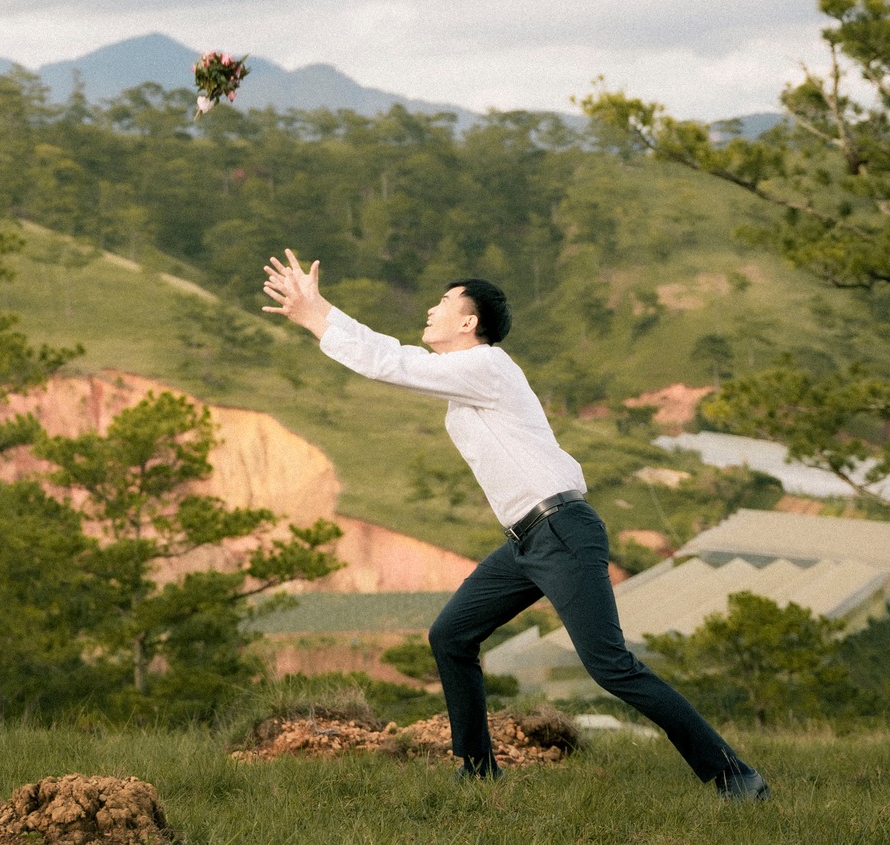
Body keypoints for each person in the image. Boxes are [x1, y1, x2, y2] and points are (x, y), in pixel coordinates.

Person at [261, 251, 769, 800]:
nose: (430, 309)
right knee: (451, 636)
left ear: (468, 323)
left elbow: (392, 363)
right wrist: (319, 313)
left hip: (561, 531)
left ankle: (735, 776)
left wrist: (316, 317)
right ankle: (478, 770)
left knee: (611, 667)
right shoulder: (467, 378)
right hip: (528, 541)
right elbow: (395, 358)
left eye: (443, 302)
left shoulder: (487, 366)